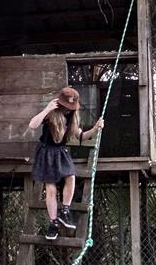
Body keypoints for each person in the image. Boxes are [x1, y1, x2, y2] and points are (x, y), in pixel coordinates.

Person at [28, 86, 104, 241]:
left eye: (71, 108)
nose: (68, 110)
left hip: (61, 152)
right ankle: (53, 223)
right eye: (66, 107)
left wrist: (96, 128)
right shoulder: (51, 114)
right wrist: (47, 109)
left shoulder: (72, 117)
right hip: (46, 152)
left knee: (71, 177)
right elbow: (32, 125)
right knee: (50, 188)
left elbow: (81, 136)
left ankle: (65, 211)